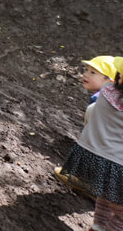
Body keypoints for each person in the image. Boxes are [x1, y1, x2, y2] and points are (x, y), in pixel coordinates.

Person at [59, 57, 123, 231]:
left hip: (87, 155)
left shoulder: (106, 90)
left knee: (106, 191)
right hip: (116, 165)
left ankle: (98, 225)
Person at [54, 55, 117, 196]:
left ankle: (87, 182)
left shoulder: (100, 101)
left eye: (93, 72)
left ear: (109, 81)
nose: (85, 74)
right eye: (87, 70)